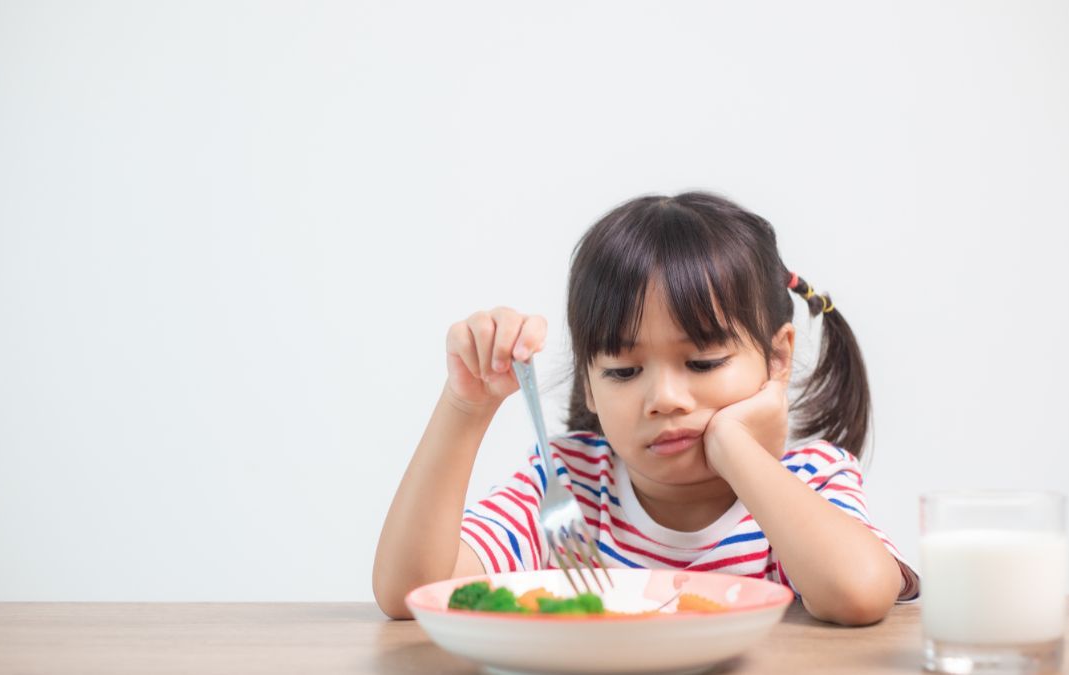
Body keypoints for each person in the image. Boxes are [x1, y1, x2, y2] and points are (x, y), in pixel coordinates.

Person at [372, 191, 920, 625]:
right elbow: (412, 591)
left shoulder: (812, 481)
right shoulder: (567, 484)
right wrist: (465, 407)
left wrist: (735, 449)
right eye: (623, 372)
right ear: (589, 383)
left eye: (703, 363)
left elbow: (860, 594)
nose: (663, 400)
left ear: (778, 357)